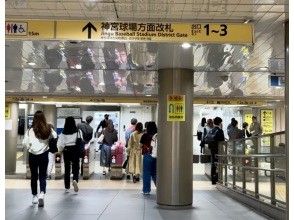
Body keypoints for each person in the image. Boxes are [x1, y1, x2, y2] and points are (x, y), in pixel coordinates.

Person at [22, 111, 57, 206]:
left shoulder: (30, 130)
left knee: (34, 176)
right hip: (44, 155)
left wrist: (30, 147)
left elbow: (24, 142)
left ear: (34, 118)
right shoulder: (48, 129)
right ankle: (42, 193)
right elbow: (55, 136)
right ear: (43, 118)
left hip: (32, 155)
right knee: (42, 175)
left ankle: (34, 196)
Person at [57, 117, 84, 193]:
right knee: (76, 166)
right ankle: (75, 179)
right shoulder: (78, 131)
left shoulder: (63, 133)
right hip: (75, 150)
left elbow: (60, 144)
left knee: (67, 168)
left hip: (67, 151)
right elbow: (81, 140)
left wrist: (60, 150)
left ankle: (67, 187)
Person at [140, 121, 157, 195]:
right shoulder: (158, 135)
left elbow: (140, 145)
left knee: (146, 173)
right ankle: (160, 187)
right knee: (155, 173)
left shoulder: (145, 135)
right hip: (156, 156)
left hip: (147, 155)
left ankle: (146, 190)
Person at [207, 117, 225, 185]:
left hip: (212, 149)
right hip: (218, 150)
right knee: (218, 164)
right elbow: (222, 141)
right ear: (220, 123)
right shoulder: (220, 131)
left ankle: (213, 180)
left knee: (213, 163)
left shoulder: (211, 130)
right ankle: (218, 179)